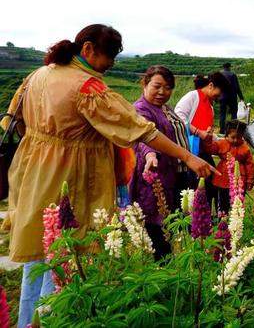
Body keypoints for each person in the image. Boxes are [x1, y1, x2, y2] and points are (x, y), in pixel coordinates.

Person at [0, 25, 214, 328]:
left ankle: (26, 322)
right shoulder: (87, 87)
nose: (112, 63)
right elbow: (140, 129)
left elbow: (12, 121)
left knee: (38, 253)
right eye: (109, 56)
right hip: (69, 177)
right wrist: (188, 156)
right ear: (87, 49)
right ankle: (48, 321)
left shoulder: (39, 74)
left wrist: (45, 143)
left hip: (33, 174)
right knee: (63, 257)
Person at [129, 65, 192, 260]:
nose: (162, 92)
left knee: (175, 222)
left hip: (177, 174)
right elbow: (143, 138)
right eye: (157, 86)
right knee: (158, 224)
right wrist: (150, 155)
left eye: (168, 87)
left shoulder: (164, 108)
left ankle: (175, 264)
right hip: (155, 176)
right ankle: (163, 267)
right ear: (145, 83)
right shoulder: (140, 109)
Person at [175, 72, 229, 202]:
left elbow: (207, 132)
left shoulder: (210, 106)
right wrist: (198, 132)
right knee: (191, 190)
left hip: (202, 152)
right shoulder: (193, 97)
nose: (219, 97)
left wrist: (219, 139)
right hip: (188, 151)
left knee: (210, 187)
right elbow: (178, 118)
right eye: (219, 92)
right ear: (210, 85)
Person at [202, 119, 254, 214]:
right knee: (222, 202)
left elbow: (250, 165)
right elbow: (210, 149)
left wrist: (250, 180)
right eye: (233, 137)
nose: (235, 140)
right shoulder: (221, 143)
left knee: (238, 203)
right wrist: (208, 138)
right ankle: (222, 220)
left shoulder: (245, 148)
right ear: (227, 135)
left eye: (239, 137)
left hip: (239, 180)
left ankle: (237, 221)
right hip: (223, 179)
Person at [219, 62, 244, 134]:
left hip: (222, 97)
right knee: (233, 113)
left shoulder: (220, 75)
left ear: (223, 67)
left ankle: (222, 131)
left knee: (222, 114)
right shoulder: (233, 74)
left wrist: (216, 97)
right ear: (229, 67)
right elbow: (237, 87)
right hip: (232, 97)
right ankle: (232, 130)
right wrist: (241, 97)